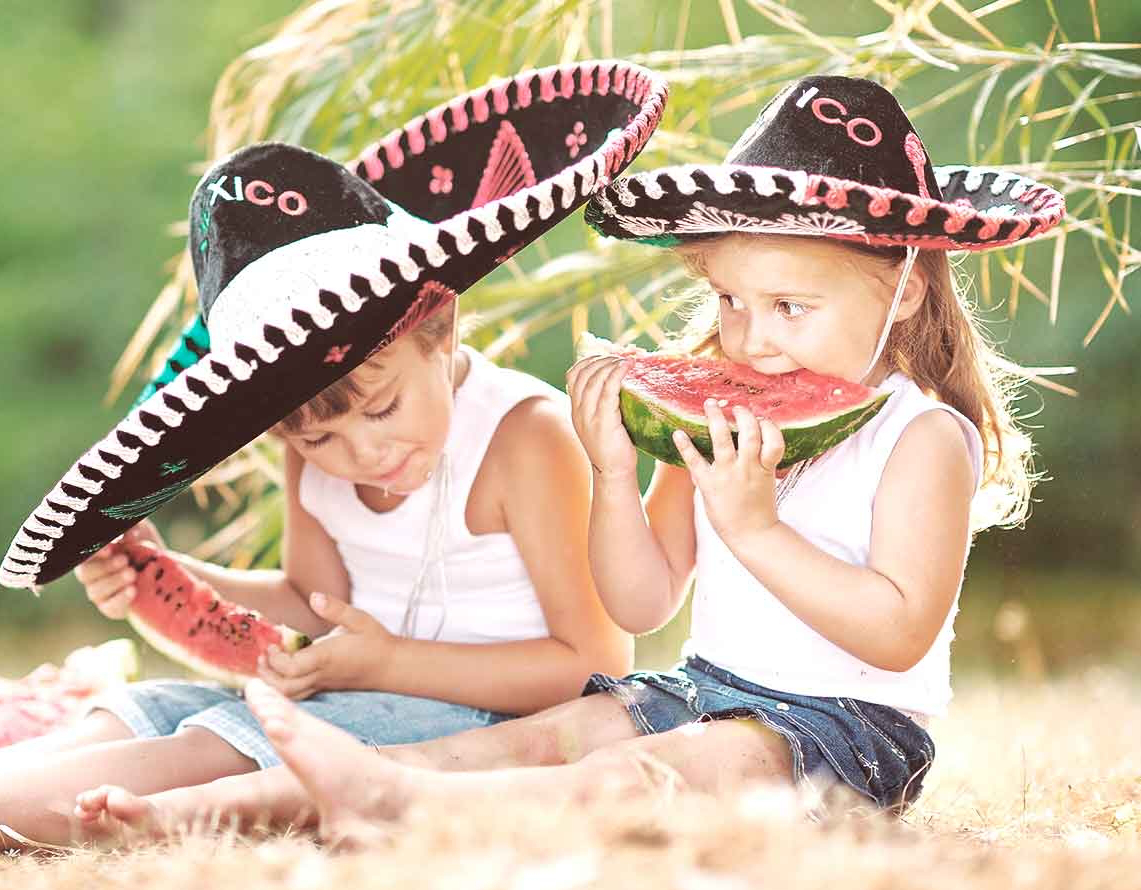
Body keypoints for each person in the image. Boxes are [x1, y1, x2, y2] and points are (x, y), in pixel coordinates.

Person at [0, 60, 671, 856]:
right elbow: (309, 607)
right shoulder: (316, 453)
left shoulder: (524, 436)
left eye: (379, 408)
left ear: (440, 328)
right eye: (314, 435)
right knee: (148, 708)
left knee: (218, 741)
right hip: (363, 692)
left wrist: (387, 662)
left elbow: (590, 663)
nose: (362, 451)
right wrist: (178, 582)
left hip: (484, 731)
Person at [68, 74, 1066, 842]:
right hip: (697, 687)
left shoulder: (923, 436)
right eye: (729, 300)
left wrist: (753, 526)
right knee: (538, 737)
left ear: (905, 293)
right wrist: (618, 478)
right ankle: (252, 803)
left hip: (845, 732)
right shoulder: (716, 410)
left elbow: (895, 634)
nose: (751, 340)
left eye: (790, 308)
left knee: (635, 779)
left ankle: (406, 808)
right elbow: (640, 606)